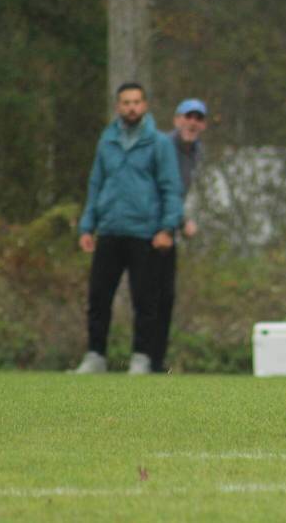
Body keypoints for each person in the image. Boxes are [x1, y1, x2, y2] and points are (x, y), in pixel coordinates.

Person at [74, 83, 183, 375]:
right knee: (98, 296)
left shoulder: (159, 144)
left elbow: (171, 188)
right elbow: (96, 184)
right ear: (118, 106)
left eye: (136, 102)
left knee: (145, 300)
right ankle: (95, 355)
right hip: (109, 229)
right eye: (126, 102)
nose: (131, 107)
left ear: (145, 105)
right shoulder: (106, 141)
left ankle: (141, 358)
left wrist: (167, 228)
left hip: (145, 233)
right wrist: (88, 226)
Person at [150, 98, 209, 373]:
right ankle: (141, 357)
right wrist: (176, 221)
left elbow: (184, 192)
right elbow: (159, 189)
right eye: (188, 116)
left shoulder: (197, 152)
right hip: (152, 227)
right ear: (177, 120)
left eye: (198, 118)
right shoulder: (162, 146)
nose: (192, 122)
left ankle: (155, 360)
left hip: (169, 227)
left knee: (165, 297)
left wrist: (182, 221)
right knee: (147, 297)